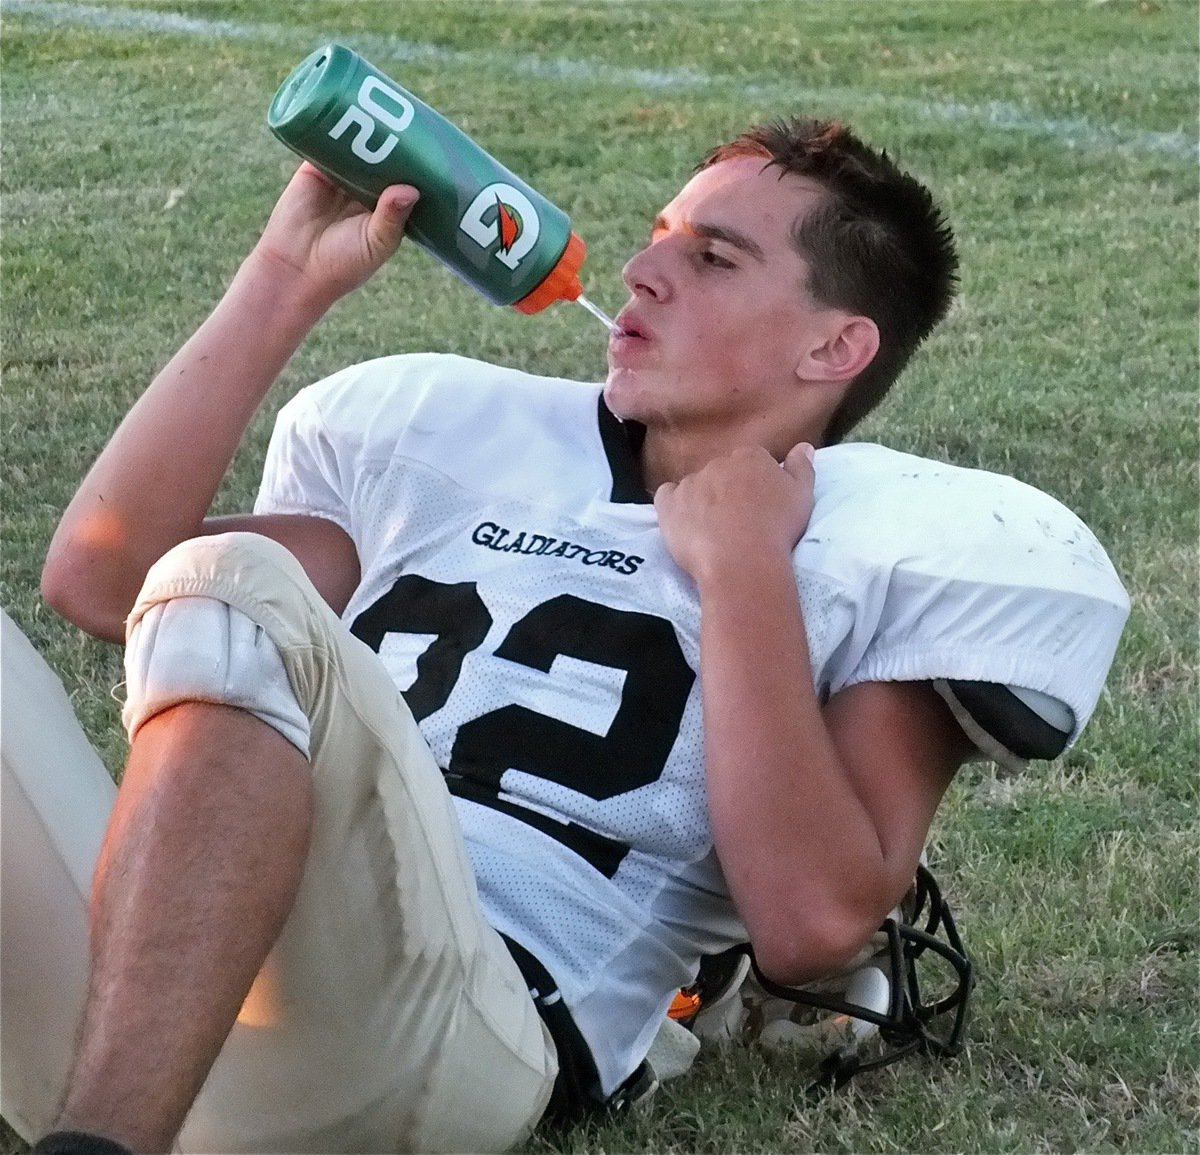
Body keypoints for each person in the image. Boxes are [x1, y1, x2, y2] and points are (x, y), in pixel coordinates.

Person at [3, 118, 1127, 1154]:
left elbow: (814, 924)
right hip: (162, 991)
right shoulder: (447, 442)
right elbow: (104, 578)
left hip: (449, 1031)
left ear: (835, 349)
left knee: (238, 585)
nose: (643, 269)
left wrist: (743, 571)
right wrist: (283, 280)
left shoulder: (885, 537)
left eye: (713, 258)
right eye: (660, 235)